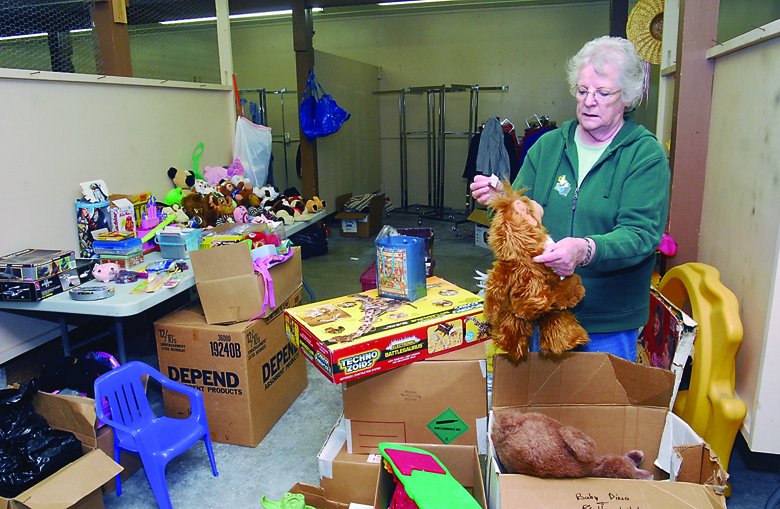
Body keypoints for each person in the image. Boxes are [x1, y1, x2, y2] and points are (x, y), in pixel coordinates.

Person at [470, 36, 670, 362]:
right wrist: (504, 203)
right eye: (582, 91)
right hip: (538, 312)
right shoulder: (547, 147)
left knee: (596, 412)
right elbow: (522, 220)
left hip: (607, 325)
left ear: (628, 98)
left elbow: (641, 236)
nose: (589, 101)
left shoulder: (644, 155)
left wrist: (584, 250)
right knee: (535, 411)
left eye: (603, 93)